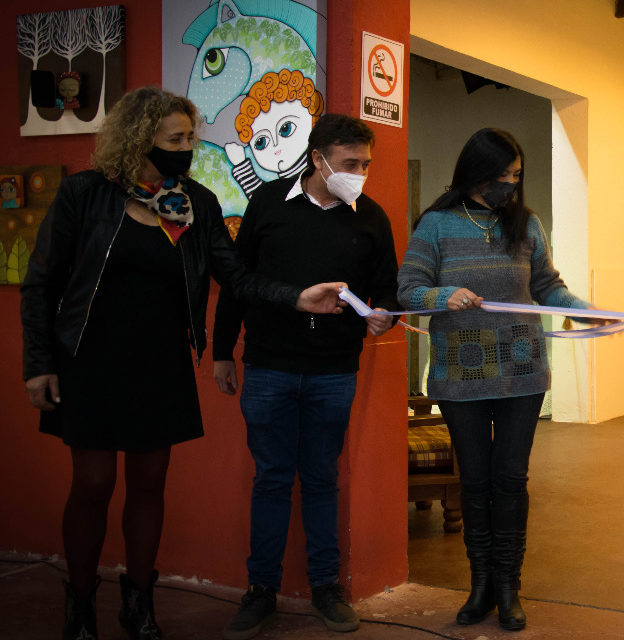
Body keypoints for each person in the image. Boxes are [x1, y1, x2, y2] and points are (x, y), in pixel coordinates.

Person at [18, 86, 346, 640]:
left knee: (150, 485)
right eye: (176, 139)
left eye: (192, 137)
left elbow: (235, 276)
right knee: (93, 484)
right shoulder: (84, 195)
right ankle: (78, 604)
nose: (187, 148)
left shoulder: (193, 201)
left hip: (160, 363)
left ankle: (139, 604)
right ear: (139, 139)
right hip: (90, 362)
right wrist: (38, 363)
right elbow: (41, 283)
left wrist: (296, 296)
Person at [397, 128, 592, 632]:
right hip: (460, 374)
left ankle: (509, 587)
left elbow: (548, 285)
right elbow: (409, 289)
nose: (510, 184)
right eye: (502, 175)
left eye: (516, 176)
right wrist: (444, 296)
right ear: (474, 173)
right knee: (476, 482)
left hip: (522, 373)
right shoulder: (436, 225)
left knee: (511, 480)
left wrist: (589, 312)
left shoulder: (527, 224)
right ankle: (480, 584)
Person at [212, 113, 399, 639]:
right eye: (349, 164)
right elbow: (238, 281)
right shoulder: (268, 204)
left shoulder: (372, 218)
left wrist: (383, 313)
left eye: (365, 164)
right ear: (317, 159)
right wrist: (223, 350)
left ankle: (326, 587)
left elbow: (387, 287)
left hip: (334, 371)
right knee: (271, 479)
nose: (359, 173)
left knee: (321, 478)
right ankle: (260, 591)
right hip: (268, 364)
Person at [225, 69, 324, 200]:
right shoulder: (276, 191)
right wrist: (241, 165)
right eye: (260, 142)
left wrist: (242, 166)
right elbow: (266, 201)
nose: (276, 144)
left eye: (285, 129)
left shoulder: (317, 177)